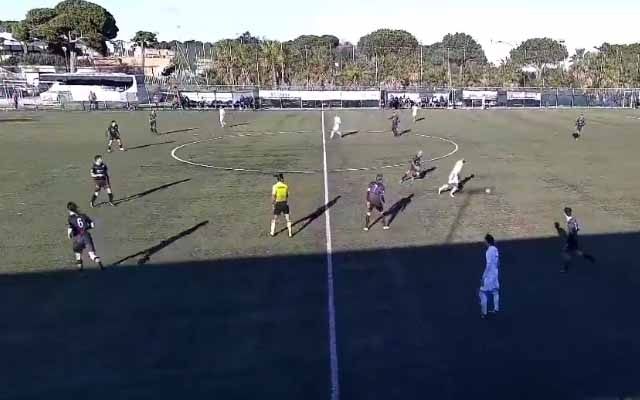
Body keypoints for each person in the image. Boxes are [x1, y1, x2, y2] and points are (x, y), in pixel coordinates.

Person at [556, 207, 596, 273]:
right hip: (574, 239)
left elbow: (572, 231)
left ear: (566, 213)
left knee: (565, 253)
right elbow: (577, 228)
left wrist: (569, 239)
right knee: (577, 252)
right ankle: (589, 257)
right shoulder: (573, 219)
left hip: (571, 240)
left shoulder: (570, 222)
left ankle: (565, 268)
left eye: (565, 212)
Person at [66, 201, 104, 270]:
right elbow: (92, 225)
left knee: (78, 254)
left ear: (68, 210)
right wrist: (87, 227)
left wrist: (69, 235)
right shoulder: (83, 215)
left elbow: (70, 228)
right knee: (92, 255)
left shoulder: (70, 218)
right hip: (86, 236)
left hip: (77, 238)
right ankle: (97, 260)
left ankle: (80, 268)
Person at [479, 234, 500, 319]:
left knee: (482, 292)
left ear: (488, 242)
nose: (484, 242)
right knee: (495, 291)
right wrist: (496, 271)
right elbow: (498, 262)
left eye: (485, 241)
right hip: (495, 274)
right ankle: (496, 309)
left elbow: (488, 265)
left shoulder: (488, 252)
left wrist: (483, 276)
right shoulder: (495, 249)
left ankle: (484, 313)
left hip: (489, 275)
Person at [270, 173, 292, 237]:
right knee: (288, 219)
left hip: (278, 203)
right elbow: (287, 195)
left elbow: (273, 196)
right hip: (284, 203)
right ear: (282, 179)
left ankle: (272, 233)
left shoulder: (275, 186)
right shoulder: (286, 186)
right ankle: (290, 233)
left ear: (277, 179)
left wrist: (273, 204)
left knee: (274, 218)